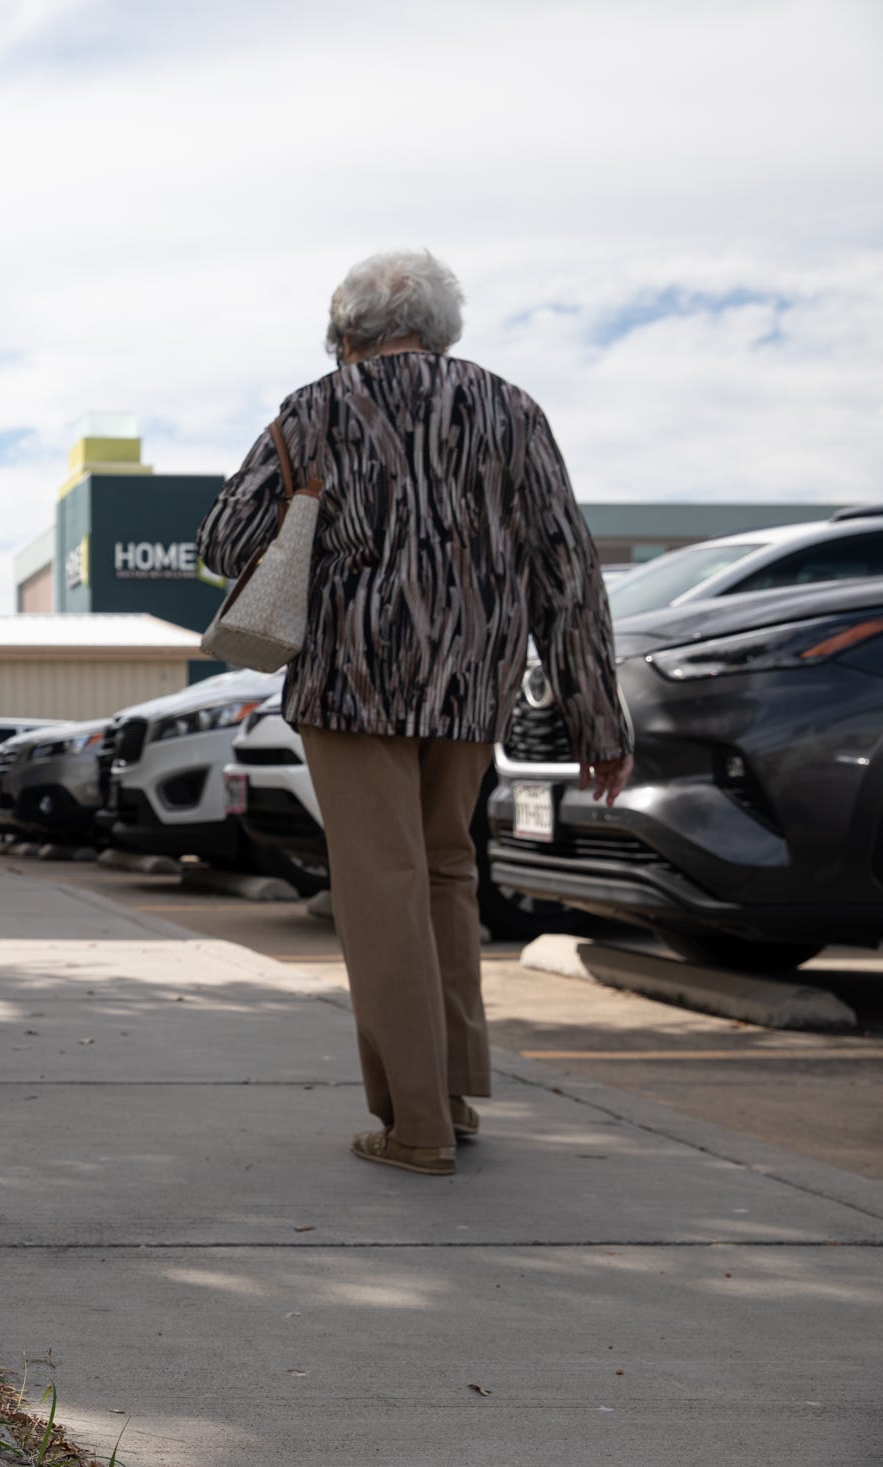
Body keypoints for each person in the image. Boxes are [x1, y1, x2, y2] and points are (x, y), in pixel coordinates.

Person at [198, 249, 630, 1178]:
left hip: (351, 682)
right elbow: (567, 567)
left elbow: (224, 541)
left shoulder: (315, 409)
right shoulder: (512, 408)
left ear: (345, 332)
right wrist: (597, 719)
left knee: (379, 887)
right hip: (470, 686)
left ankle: (418, 1126)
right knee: (445, 874)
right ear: (439, 328)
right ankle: (455, 1095)